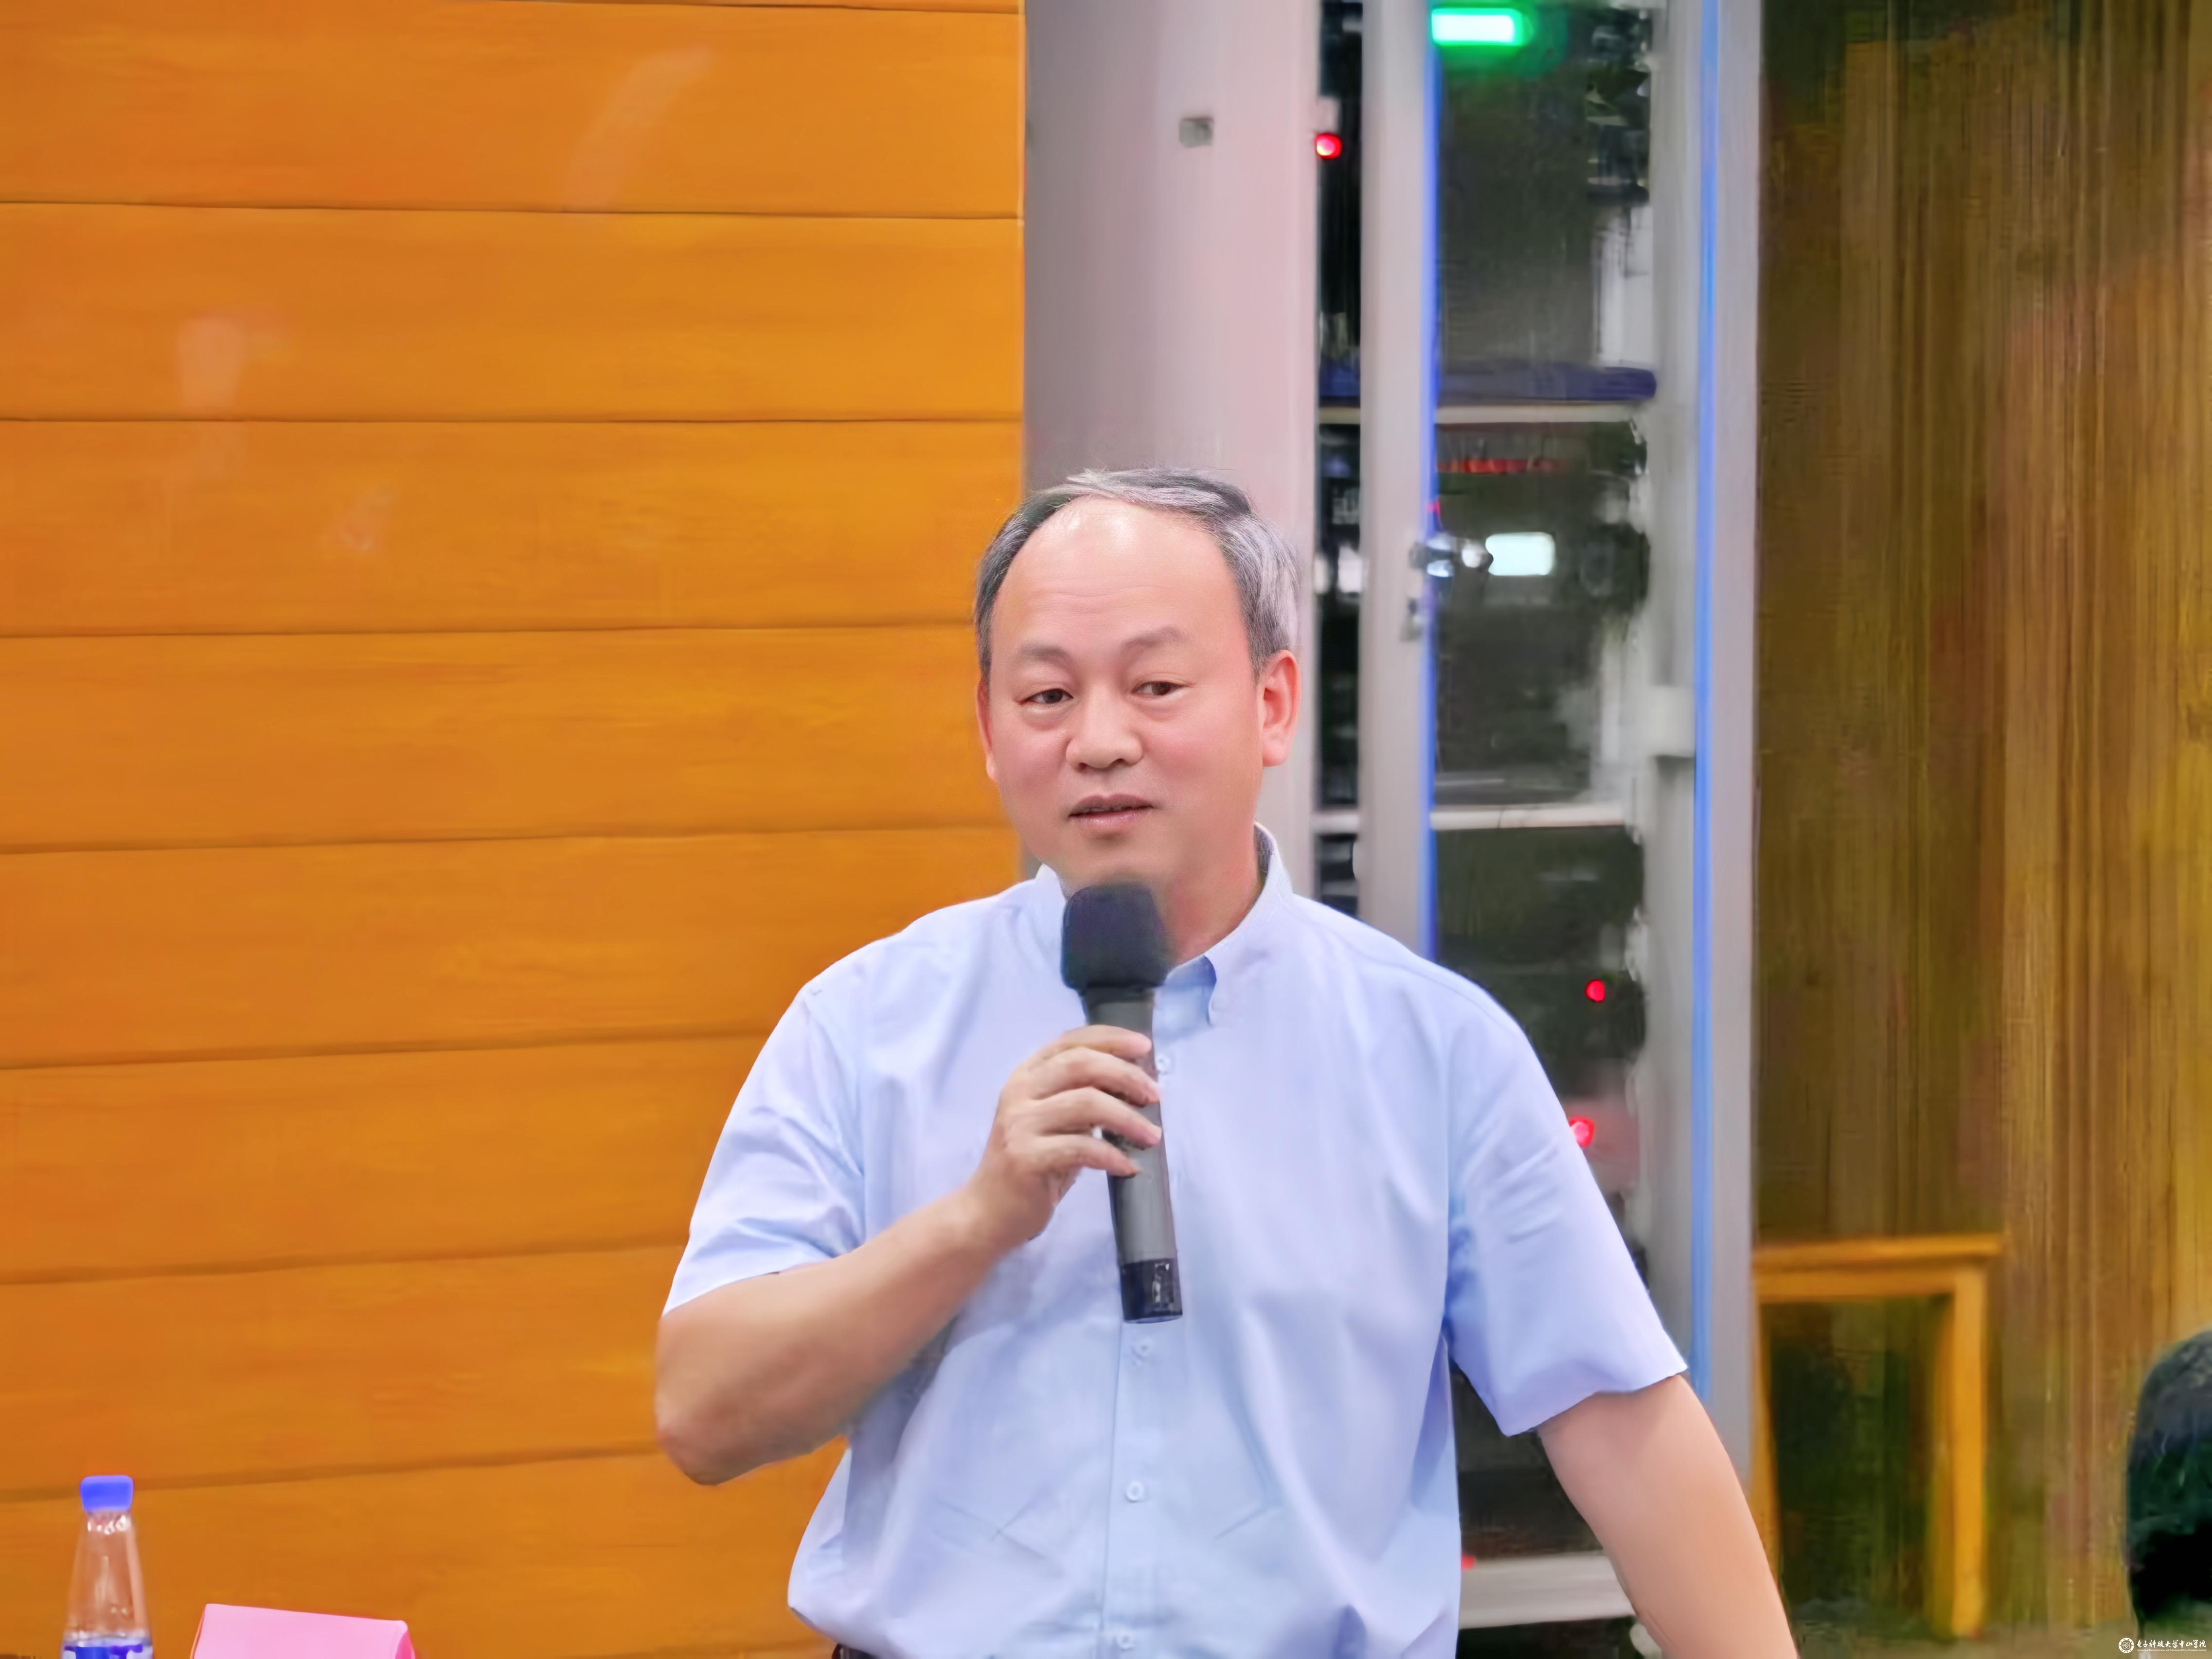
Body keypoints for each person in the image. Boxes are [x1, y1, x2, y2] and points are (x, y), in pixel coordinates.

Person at [656, 470, 1794, 1659]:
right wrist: (974, 1221)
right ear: (990, 730)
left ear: (1273, 702)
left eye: (1155, 686)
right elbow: (702, 1410)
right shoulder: (865, 1022)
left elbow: (1624, 1425)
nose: (1101, 741)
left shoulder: (1434, 1050)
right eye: (1047, 695)